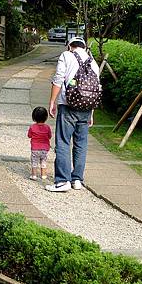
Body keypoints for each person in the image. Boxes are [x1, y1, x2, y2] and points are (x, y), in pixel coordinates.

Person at [46, 36, 100, 192]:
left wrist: (52, 102)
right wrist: (92, 113)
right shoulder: (93, 61)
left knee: (63, 142)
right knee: (81, 144)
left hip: (68, 105)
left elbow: (58, 79)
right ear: (84, 47)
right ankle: (77, 179)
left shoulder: (66, 56)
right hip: (86, 108)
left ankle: (63, 181)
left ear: (69, 46)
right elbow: (95, 89)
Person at [27, 106, 52, 181]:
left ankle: (34, 175)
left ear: (34, 117)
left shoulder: (32, 127)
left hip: (35, 148)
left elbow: (29, 135)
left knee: (34, 161)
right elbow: (50, 136)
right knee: (43, 160)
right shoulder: (47, 127)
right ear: (46, 117)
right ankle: (43, 175)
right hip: (45, 148)